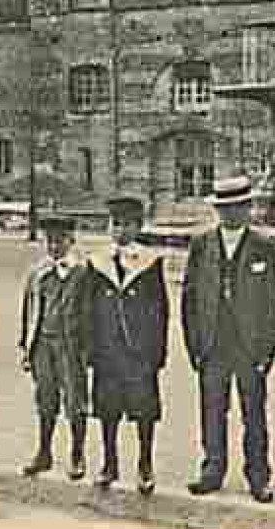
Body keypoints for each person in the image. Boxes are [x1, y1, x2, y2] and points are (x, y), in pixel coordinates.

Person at [180, 175, 275, 502]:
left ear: (248, 208)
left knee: (253, 412)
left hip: (249, 346)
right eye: (225, 208)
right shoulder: (202, 244)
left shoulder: (262, 246)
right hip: (212, 343)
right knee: (212, 409)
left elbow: (271, 300)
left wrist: (267, 351)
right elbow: (190, 297)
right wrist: (194, 346)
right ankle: (212, 470)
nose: (231, 214)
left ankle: (258, 476)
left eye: (238, 207)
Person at [85, 195, 170, 496]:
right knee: (108, 410)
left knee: (144, 411)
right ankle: (110, 462)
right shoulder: (96, 263)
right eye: (116, 224)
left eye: (128, 224)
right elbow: (88, 309)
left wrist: (157, 352)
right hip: (108, 351)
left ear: (138, 226)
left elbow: (160, 310)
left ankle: (145, 463)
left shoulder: (149, 263)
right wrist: (90, 349)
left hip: (139, 352)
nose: (121, 231)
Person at [18, 215, 91, 479]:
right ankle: (44, 452)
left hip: (70, 346)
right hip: (43, 345)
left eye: (60, 240)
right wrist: (26, 346)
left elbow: (90, 313)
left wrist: (88, 350)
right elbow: (28, 310)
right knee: (45, 400)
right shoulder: (38, 274)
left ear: (72, 241)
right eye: (50, 241)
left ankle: (77, 454)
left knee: (75, 401)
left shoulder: (82, 273)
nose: (54, 246)